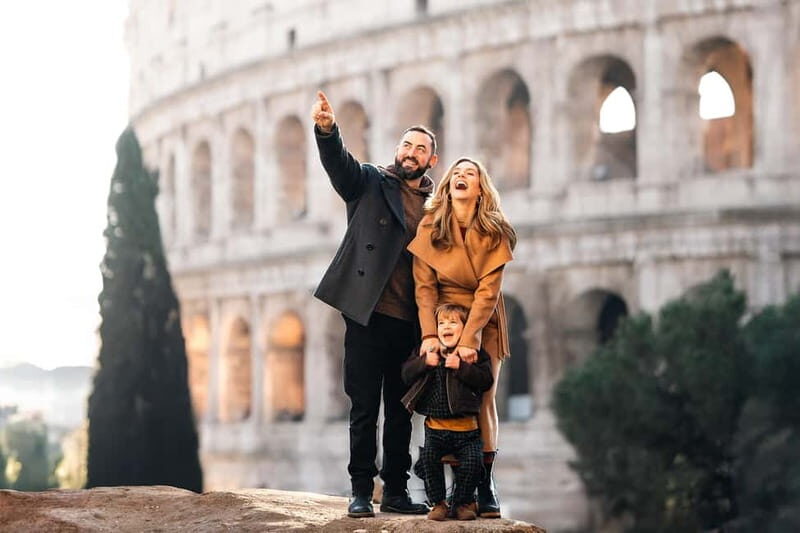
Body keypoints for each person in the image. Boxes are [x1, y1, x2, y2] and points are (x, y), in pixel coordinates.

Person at [310, 91, 438, 518]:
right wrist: (328, 133)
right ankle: (361, 490)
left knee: (402, 413)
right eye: (406, 145)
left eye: (420, 149)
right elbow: (340, 169)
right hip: (368, 314)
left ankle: (396, 491)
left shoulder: (437, 208)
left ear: (430, 161)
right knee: (364, 407)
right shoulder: (369, 182)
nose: (411, 153)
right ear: (397, 150)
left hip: (411, 322)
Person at [407, 157, 516, 518]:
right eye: (455, 173)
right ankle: (458, 491)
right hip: (442, 319)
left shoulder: (495, 230)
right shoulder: (431, 225)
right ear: (447, 185)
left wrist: (470, 340)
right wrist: (429, 335)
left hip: (484, 322)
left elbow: (488, 291)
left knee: (483, 398)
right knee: (445, 400)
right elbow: (424, 288)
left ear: (481, 187)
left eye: (469, 174)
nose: (460, 177)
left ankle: (484, 484)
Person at [401, 303, 494, 521]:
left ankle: (461, 503)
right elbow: (406, 374)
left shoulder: (473, 355)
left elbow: (486, 380)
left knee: (472, 465)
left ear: (466, 328)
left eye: (453, 322)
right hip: (435, 428)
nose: (446, 327)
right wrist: (425, 362)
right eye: (441, 323)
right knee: (430, 463)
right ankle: (439, 504)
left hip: (468, 430)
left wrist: (462, 368)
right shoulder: (428, 351)